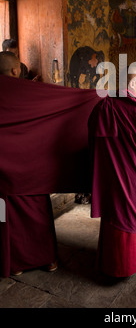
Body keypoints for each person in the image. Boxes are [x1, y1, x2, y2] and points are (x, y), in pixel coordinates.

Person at [88, 67, 136, 277]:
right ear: (131, 85)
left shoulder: (104, 105)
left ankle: (117, 265)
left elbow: (94, 137)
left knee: (118, 211)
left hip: (114, 173)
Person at [0, 51, 58, 276]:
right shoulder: (27, 90)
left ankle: (14, 264)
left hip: (3, 169)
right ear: (16, 70)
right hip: (30, 166)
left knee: (8, 215)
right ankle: (46, 259)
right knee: (37, 211)